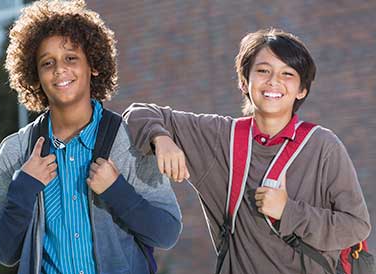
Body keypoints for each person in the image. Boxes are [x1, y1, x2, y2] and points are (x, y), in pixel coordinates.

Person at [123, 28, 370, 274]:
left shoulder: (324, 147)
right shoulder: (219, 137)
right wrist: (160, 138)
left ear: (302, 89)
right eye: (263, 71)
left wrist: (288, 212)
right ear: (244, 82)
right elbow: (137, 113)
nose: (274, 81)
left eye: (288, 73)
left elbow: (356, 226)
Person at [0, 1, 182, 273]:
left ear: (94, 65)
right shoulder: (16, 151)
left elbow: (166, 232)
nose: (59, 70)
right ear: (35, 76)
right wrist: (24, 188)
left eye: (71, 58)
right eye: (47, 63)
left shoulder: (128, 142)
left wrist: (117, 190)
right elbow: (3, 251)